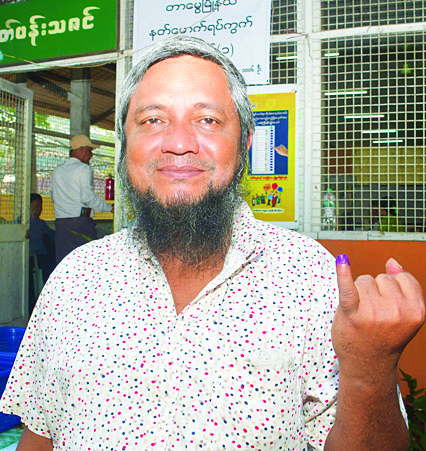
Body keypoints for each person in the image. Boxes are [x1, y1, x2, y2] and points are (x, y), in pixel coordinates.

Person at [1, 37, 424, 450]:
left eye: (207, 120)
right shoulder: (76, 278)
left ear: (245, 144)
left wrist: (370, 368)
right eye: (153, 120)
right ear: (126, 144)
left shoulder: (308, 276)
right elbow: (40, 433)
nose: (179, 143)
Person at [50, 134, 113, 264]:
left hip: (61, 225)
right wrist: (109, 208)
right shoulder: (83, 169)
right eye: (89, 151)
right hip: (80, 224)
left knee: (65, 263)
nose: (91, 155)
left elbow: (53, 197)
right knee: (87, 264)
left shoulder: (57, 170)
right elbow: (87, 198)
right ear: (81, 149)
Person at [28, 193, 56, 313]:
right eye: (36, 206)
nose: (39, 209)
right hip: (34, 257)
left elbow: (53, 235)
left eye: (40, 207)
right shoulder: (26, 223)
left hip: (44, 255)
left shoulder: (41, 223)